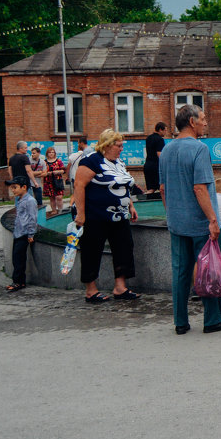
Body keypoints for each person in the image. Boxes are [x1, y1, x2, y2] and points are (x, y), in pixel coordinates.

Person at [160, 104, 221, 334]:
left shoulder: (167, 150)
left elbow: (162, 188)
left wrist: (172, 212)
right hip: (200, 223)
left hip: (177, 222)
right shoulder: (199, 149)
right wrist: (212, 220)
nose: (206, 122)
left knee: (180, 272)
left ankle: (180, 322)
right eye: (203, 118)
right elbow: (200, 188)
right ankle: (211, 320)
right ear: (192, 122)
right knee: (208, 269)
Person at [72, 129, 140, 304]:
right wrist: (80, 214)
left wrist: (131, 205)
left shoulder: (118, 162)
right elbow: (79, 186)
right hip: (95, 216)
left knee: (124, 248)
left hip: (119, 216)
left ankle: (120, 287)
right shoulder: (91, 161)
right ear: (108, 145)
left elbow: (125, 185)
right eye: (119, 145)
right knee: (92, 251)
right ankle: (91, 291)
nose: (122, 148)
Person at [5, 176, 37, 292]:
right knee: (16, 258)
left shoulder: (30, 201)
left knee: (19, 259)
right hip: (18, 233)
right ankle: (20, 281)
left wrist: (30, 234)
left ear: (24, 187)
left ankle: (18, 282)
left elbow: (32, 218)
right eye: (12, 188)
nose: (13, 190)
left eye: (15, 187)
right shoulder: (19, 199)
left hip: (24, 234)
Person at [41, 146, 66, 215]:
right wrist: (47, 173)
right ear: (47, 153)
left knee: (59, 196)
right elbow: (42, 172)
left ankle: (60, 210)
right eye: (50, 152)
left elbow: (63, 170)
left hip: (57, 180)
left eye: (53, 152)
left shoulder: (58, 161)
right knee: (51, 197)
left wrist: (57, 172)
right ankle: (54, 210)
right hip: (48, 181)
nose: (51, 154)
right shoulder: (44, 162)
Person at [143, 122, 167, 194]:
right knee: (161, 189)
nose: (166, 132)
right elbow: (160, 154)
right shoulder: (160, 139)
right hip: (156, 167)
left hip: (147, 165)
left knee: (150, 189)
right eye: (165, 130)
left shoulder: (148, 138)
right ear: (160, 130)